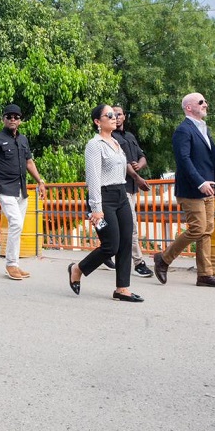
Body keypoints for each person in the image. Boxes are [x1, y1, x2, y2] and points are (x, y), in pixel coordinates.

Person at [153, 93, 215, 288]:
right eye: (202, 102)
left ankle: (205, 274)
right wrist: (200, 183)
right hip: (192, 189)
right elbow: (183, 160)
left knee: (206, 231)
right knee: (197, 228)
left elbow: (213, 159)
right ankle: (163, 259)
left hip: (209, 189)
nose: (206, 104)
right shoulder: (183, 130)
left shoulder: (203, 129)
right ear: (189, 107)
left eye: (205, 101)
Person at [67, 105, 143, 302]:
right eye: (108, 115)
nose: (114, 117)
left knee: (126, 241)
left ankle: (122, 289)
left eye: (115, 114)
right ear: (97, 122)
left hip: (121, 194)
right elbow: (93, 178)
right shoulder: (95, 145)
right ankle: (78, 269)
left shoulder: (117, 143)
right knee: (111, 245)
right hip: (103, 197)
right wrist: (96, 209)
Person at [0, 103, 46, 280]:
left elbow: (29, 163)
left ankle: (15, 264)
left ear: (20, 120)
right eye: (9, 116)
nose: (12, 119)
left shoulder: (23, 140)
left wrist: (40, 181)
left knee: (16, 227)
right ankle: (11, 264)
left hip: (21, 189)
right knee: (16, 223)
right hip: (4, 188)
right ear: (3, 119)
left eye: (16, 117)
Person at [109, 106, 154, 278]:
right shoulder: (109, 138)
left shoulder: (130, 136)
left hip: (131, 188)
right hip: (119, 187)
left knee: (122, 227)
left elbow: (142, 157)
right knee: (131, 226)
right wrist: (136, 177)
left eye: (119, 114)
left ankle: (106, 253)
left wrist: (139, 166)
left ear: (124, 117)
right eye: (112, 115)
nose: (116, 117)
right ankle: (138, 262)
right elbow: (123, 162)